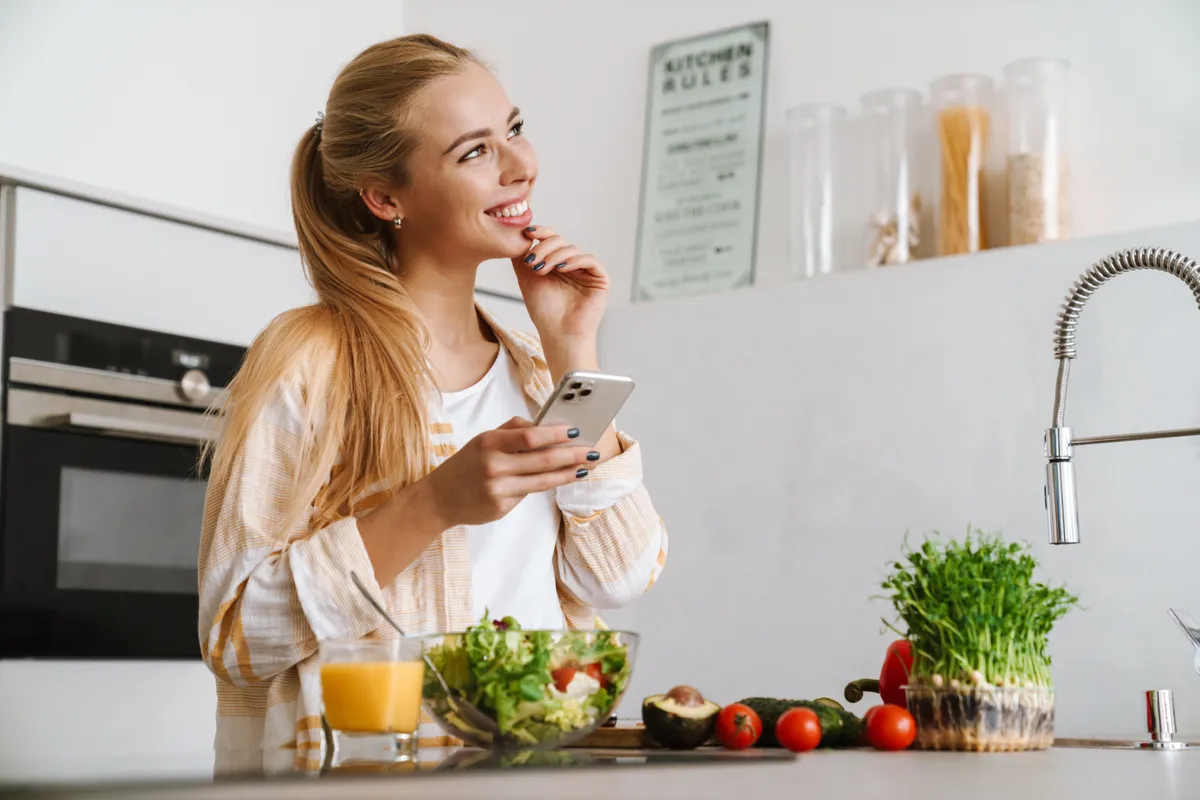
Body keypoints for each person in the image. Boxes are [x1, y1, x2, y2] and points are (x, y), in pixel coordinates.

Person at [196, 33, 667, 769]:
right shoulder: (311, 361)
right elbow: (235, 638)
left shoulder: (538, 370)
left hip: (544, 771)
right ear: (386, 198)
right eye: (475, 152)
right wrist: (432, 504)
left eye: (513, 129)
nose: (521, 165)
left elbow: (619, 577)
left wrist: (574, 350)